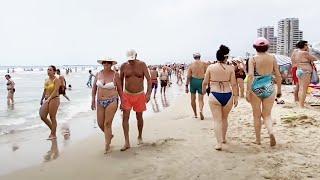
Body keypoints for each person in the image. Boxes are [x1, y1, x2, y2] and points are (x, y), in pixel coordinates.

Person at [246, 37, 282, 146]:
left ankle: (258, 140)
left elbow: (251, 75)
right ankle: (270, 132)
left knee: (256, 115)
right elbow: (278, 74)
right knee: (267, 115)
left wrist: (248, 91)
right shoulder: (272, 58)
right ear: (267, 47)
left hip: (256, 86)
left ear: (255, 47)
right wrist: (279, 89)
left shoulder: (252, 59)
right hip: (269, 86)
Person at [202, 45, 238, 150]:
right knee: (224, 118)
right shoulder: (230, 68)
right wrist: (236, 97)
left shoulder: (210, 67)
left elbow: (205, 82)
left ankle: (218, 144)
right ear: (226, 57)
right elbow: (234, 84)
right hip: (228, 95)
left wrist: (203, 91)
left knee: (217, 120)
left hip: (215, 94)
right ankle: (223, 138)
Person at [120, 49, 152, 151]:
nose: (131, 61)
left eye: (132, 59)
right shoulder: (124, 66)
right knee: (125, 117)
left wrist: (148, 93)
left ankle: (140, 136)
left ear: (136, 56)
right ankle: (127, 142)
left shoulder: (142, 65)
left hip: (139, 95)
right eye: (129, 60)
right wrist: (121, 98)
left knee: (139, 117)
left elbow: (149, 79)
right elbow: (120, 82)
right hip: (127, 94)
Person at [91, 57, 123, 153]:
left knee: (107, 123)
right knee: (100, 124)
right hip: (99, 101)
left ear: (111, 64)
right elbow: (94, 88)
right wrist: (93, 99)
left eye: (108, 63)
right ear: (102, 63)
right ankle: (109, 135)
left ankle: (107, 145)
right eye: (104, 62)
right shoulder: (98, 74)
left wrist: (123, 102)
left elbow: (120, 90)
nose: (106, 64)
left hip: (112, 100)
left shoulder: (115, 75)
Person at [39, 65, 61, 140]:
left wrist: (49, 99)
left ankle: (53, 134)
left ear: (54, 71)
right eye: (48, 70)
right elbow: (45, 90)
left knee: (52, 117)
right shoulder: (46, 80)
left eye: (50, 70)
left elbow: (55, 91)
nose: (48, 71)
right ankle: (53, 129)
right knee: (42, 116)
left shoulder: (57, 80)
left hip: (54, 99)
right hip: (46, 99)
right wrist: (42, 99)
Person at [295, 40, 318, 108]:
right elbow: (315, 59)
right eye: (306, 45)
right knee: (304, 89)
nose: (307, 46)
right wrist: (308, 51)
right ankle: (301, 105)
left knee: (301, 88)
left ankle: (300, 104)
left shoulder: (296, 52)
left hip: (299, 70)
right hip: (305, 71)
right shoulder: (305, 53)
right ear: (304, 46)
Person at [185, 53, 207, 120]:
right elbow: (207, 73)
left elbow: (188, 76)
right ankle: (200, 110)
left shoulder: (191, 65)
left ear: (194, 57)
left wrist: (186, 86)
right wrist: (207, 84)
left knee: (192, 99)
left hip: (193, 81)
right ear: (200, 57)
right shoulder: (204, 64)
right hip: (201, 81)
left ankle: (195, 114)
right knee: (201, 99)